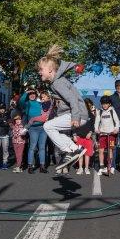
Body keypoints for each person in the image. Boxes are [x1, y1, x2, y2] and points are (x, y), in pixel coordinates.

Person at [39, 45, 89, 173]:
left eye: (41, 69)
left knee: (48, 126)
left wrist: (75, 117)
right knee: (56, 130)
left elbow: (73, 99)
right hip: (76, 114)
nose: (39, 72)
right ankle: (74, 149)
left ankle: (72, 149)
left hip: (78, 115)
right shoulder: (55, 82)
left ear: (50, 70)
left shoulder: (57, 83)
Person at [95, 96, 120, 175]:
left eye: (106, 104)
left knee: (110, 150)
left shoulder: (112, 111)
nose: (104, 105)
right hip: (102, 134)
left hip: (111, 134)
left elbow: (117, 121)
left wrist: (116, 129)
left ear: (109, 104)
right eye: (103, 104)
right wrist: (96, 129)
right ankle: (102, 167)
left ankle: (109, 166)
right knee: (101, 150)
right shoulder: (100, 111)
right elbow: (97, 122)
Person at [75, 98, 96, 175]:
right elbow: (74, 125)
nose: (89, 106)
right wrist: (74, 134)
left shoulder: (91, 115)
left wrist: (90, 132)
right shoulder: (78, 114)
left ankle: (86, 168)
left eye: (90, 105)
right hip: (79, 137)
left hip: (88, 138)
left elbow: (93, 126)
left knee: (87, 154)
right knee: (80, 154)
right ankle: (80, 168)